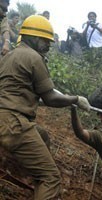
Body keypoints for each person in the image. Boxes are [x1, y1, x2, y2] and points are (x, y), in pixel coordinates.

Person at [0, 15, 91, 200]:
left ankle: (38, 180)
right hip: (14, 124)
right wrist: (76, 99)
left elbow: (18, 91)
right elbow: (50, 98)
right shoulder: (34, 57)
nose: (49, 45)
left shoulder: (10, 56)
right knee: (51, 177)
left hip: (5, 117)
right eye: (45, 40)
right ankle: (44, 182)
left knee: (42, 135)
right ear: (33, 37)